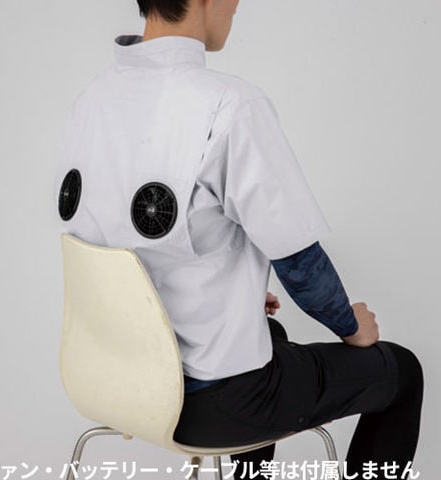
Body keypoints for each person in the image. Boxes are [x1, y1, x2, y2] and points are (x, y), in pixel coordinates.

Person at [54, 1, 424, 478]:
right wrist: (352, 327)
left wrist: (236, 293)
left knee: (270, 337)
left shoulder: (93, 99)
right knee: (403, 372)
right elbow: (299, 263)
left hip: (112, 381)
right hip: (210, 403)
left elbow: (122, 244)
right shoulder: (228, 105)